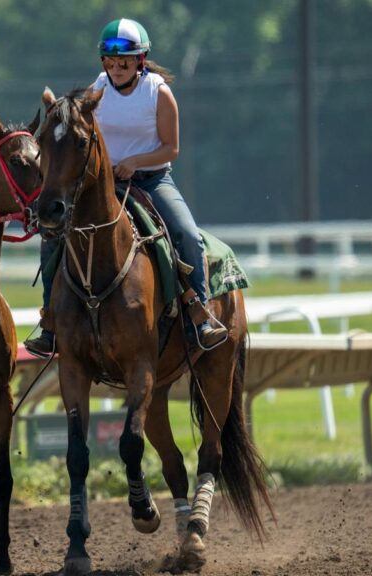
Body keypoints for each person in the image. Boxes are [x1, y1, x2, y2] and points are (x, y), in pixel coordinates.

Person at [24, 18, 228, 356]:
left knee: (187, 234)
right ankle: (51, 322)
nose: (117, 68)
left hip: (152, 180)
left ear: (140, 61)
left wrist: (135, 162)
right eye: (111, 61)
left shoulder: (158, 92)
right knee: (53, 237)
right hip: (105, 184)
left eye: (125, 61)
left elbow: (170, 148)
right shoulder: (97, 89)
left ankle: (200, 314)